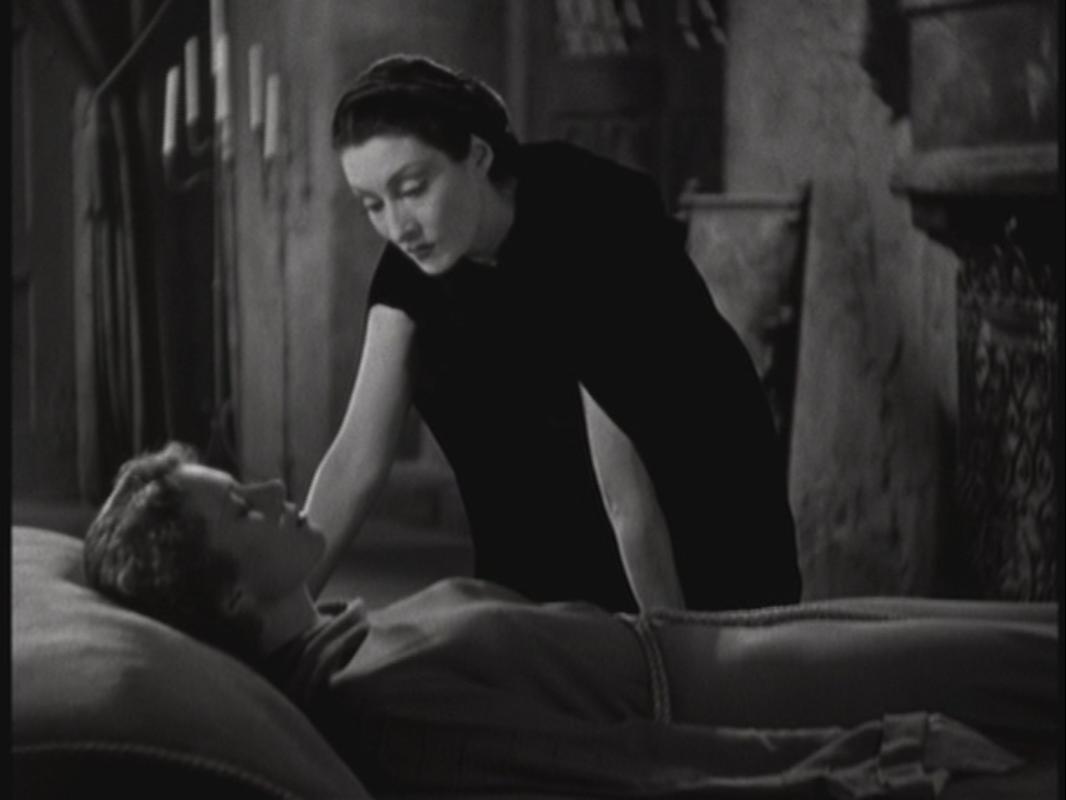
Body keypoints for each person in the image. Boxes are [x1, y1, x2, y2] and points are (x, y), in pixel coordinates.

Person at [83, 443, 1057, 798]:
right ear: (229, 597)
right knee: (1031, 665)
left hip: (712, 638)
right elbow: (620, 768)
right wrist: (869, 755)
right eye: (241, 508)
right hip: (737, 690)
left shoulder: (348, 634)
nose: (270, 488)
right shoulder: (373, 698)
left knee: (1032, 631)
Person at [303, 53, 802, 612]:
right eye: (373, 204)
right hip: (536, 572)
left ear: (478, 156)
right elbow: (356, 458)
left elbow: (626, 490)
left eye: (414, 188)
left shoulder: (591, 217)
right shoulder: (412, 261)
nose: (397, 226)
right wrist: (281, 606)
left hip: (696, 535)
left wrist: (668, 642)